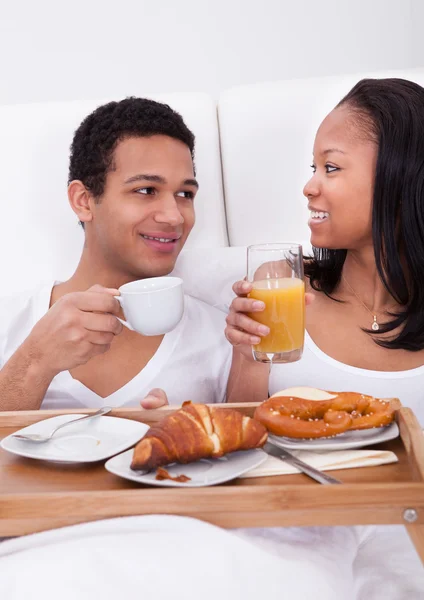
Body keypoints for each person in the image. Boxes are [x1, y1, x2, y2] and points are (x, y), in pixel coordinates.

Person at [224, 77, 424, 597]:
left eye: (331, 168)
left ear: (400, 178)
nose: (310, 186)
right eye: (313, 168)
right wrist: (246, 353)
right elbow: (230, 454)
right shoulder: (281, 284)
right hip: (292, 556)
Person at [0, 97, 232, 411]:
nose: (174, 216)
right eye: (147, 190)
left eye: (185, 194)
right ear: (83, 200)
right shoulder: (8, 323)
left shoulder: (223, 339)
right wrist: (34, 363)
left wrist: (183, 438)